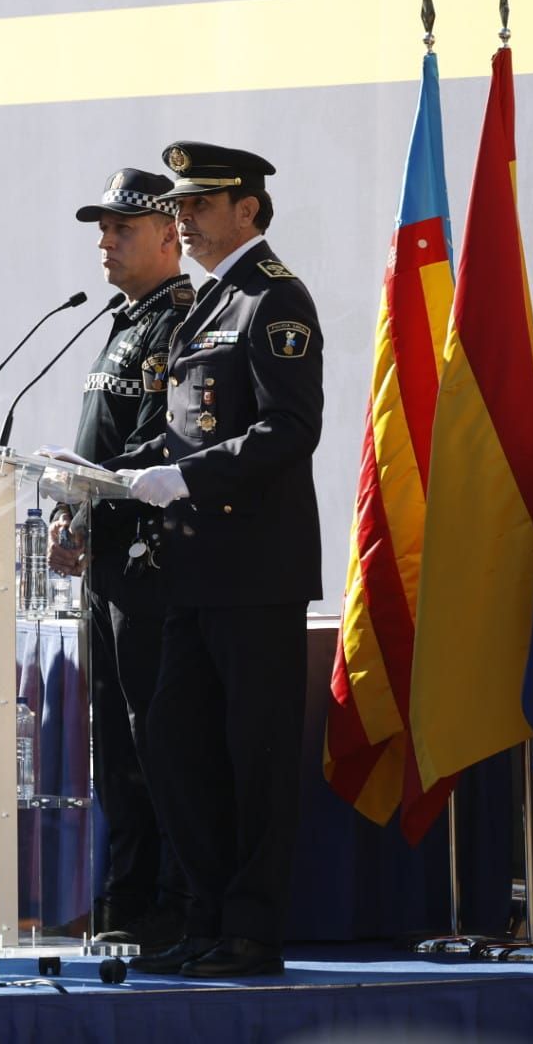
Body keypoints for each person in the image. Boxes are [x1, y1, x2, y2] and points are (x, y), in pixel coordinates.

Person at [106, 142, 323, 979]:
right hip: (192, 571)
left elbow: (287, 427)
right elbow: (189, 421)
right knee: (174, 743)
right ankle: (203, 912)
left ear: (249, 211)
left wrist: (184, 476)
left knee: (255, 756)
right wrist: (119, 474)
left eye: (199, 206)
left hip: (254, 571)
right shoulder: (205, 308)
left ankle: (251, 929)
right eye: (181, 207)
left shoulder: (275, 300)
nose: (184, 220)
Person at [49, 167, 194, 947]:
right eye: (101, 229)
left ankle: (169, 901)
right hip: (105, 558)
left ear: (171, 235)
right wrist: (68, 507)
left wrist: (91, 494)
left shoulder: (181, 320)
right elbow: (96, 440)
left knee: (155, 742)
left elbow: (162, 438)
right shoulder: (120, 318)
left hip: (151, 566)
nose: (105, 242)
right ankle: (125, 899)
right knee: (116, 745)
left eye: (121, 228)